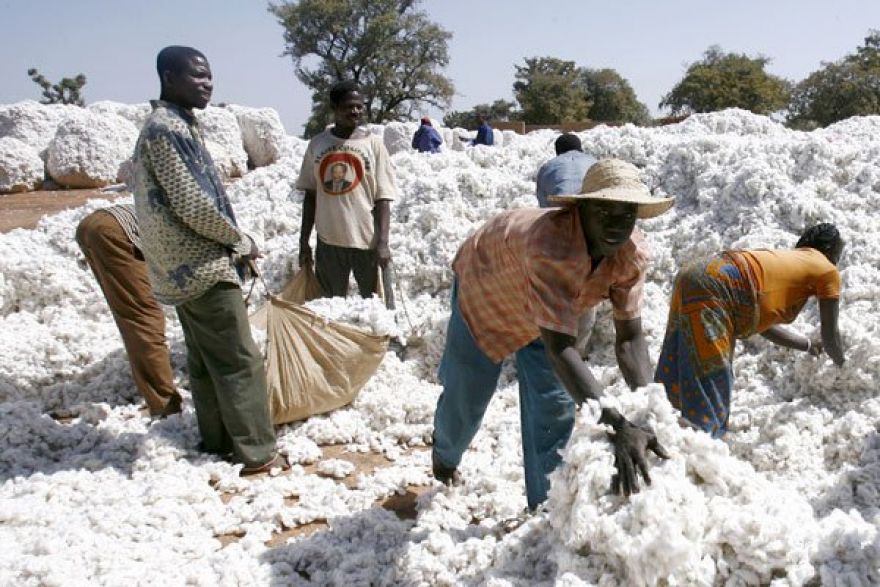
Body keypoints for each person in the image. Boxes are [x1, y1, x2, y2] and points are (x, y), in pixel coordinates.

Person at [431, 159, 675, 509]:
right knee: (468, 393)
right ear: (582, 210)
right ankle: (444, 456)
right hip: (491, 289)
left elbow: (630, 339)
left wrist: (650, 408)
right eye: (604, 212)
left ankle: (544, 509)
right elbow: (560, 350)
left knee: (555, 407)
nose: (615, 224)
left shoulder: (631, 254)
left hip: (555, 310)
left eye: (625, 214)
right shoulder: (550, 246)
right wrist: (618, 424)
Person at [132, 45, 284, 475]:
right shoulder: (167, 130)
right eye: (196, 75)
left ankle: (217, 441)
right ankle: (257, 452)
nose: (207, 83)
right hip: (201, 265)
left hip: (181, 269)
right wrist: (241, 241)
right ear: (168, 77)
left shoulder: (174, 125)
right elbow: (192, 205)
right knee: (239, 360)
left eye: (209, 75)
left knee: (205, 360)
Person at [655, 223, 846, 437]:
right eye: (838, 255)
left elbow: (760, 325)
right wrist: (844, 368)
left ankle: (659, 422)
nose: (837, 263)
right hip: (720, 285)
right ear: (830, 251)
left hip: (699, 272)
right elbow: (830, 335)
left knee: (681, 353)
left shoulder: (787, 262)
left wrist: (808, 345)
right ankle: (703, 442)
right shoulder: (827, 269)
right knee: (712, 371)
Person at [75, 204, 183, 418]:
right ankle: (164, 406)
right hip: (115, 232)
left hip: (102, 224)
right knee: (143, 318)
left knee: (133, 316)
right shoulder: (217, 245)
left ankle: (160, 397)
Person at [297, 80, 396, 303]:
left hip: (366, 243)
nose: (355, 111)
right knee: (331, 307)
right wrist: (304, 241)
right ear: (334, 108)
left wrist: (383, 243)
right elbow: (310, 197)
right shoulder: (317, 144)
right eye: (349, 106)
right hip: (329, 243)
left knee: (371, 308)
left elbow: (383, 198)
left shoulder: (374, 145)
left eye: (359, 106)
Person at [536, 133, 599, 358]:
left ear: (557, 152)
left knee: (556, 290)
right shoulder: (594, 164)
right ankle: (578, 353)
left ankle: (555, 347)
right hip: (592, 232)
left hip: (559, 232)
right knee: (587, 290)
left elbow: (544, 209)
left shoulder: (547, 168)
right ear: (581, 149)